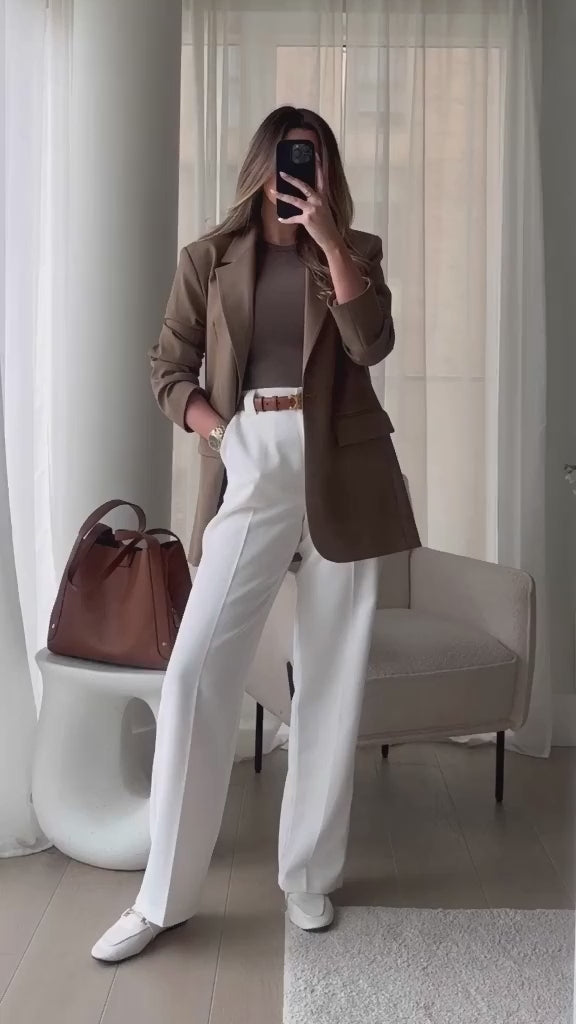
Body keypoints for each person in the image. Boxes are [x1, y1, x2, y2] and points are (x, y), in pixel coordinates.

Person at [91, 105, 420, 963]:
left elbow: (371, 344)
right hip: (253, 452)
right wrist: (222, 434)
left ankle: (309, 876)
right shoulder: (210, 257)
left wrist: (331, 241)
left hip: (344, 463)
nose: (295, 172)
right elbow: (168, 369)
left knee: (330, 680)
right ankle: (162, 898)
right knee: (196, 668)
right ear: (261, 165)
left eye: (310, 159)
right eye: (285, 158)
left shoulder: (355, 251)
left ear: (326, 169)